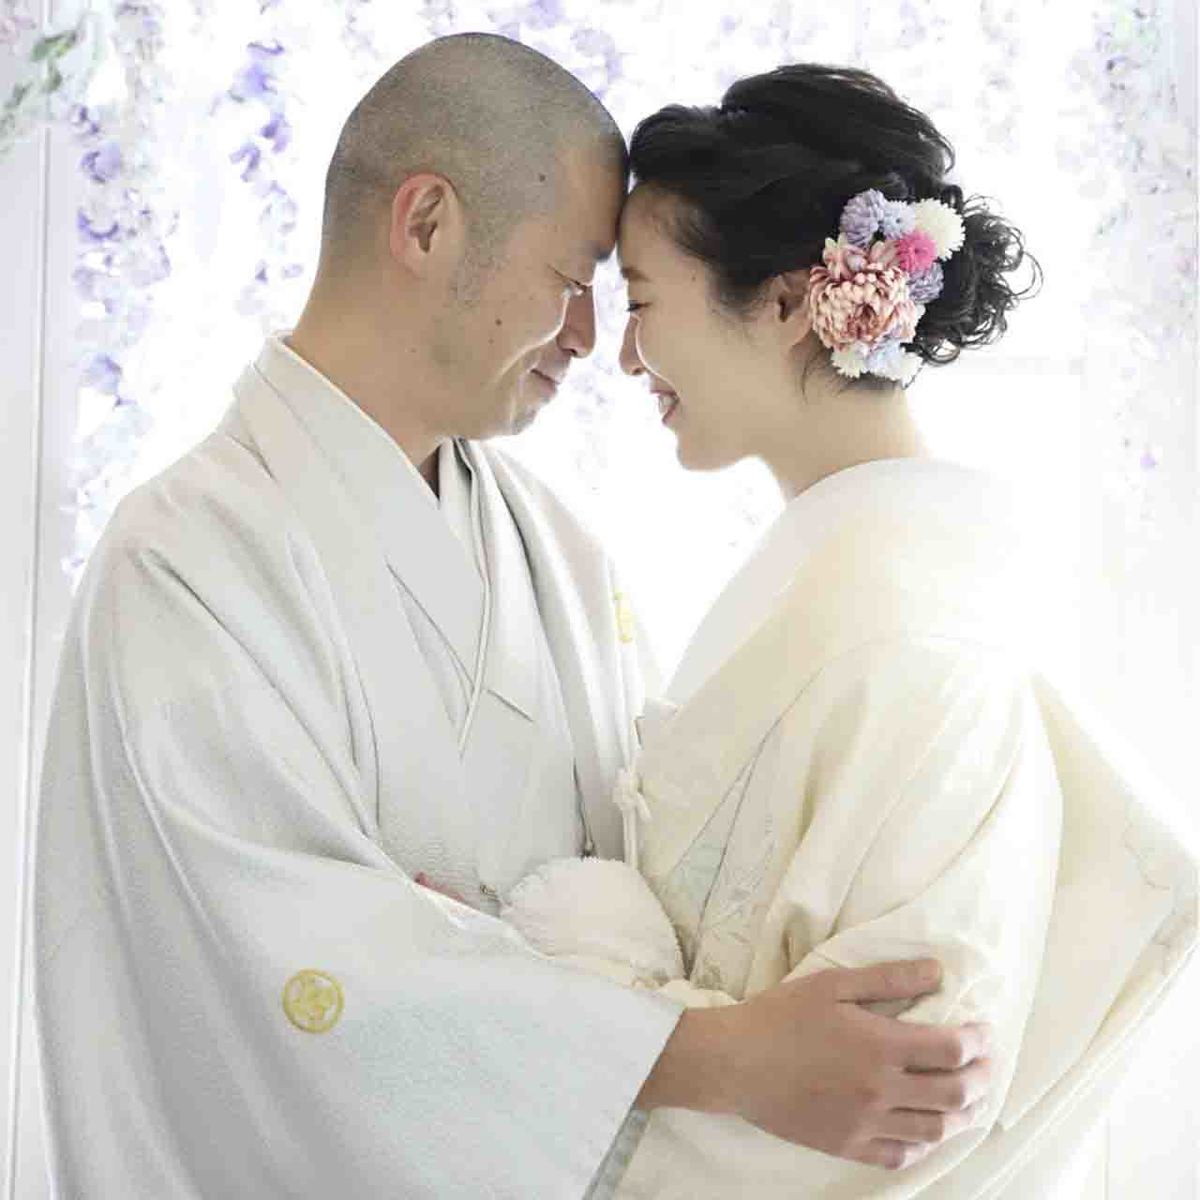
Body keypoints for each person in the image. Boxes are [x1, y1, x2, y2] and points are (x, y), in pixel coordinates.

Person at [31, 35, 996, 1198]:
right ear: (428, 224)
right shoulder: (183, 561)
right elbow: (285, 966)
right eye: (572, 278)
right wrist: (719, 1059)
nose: (592, 339)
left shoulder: (557, 549)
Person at [494, 64, 1198, 1198]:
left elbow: (891, 1091)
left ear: (785, 305)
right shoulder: (865, 586)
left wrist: (534, 960)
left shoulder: (909, 638)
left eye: (645, 303)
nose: (623, 357)